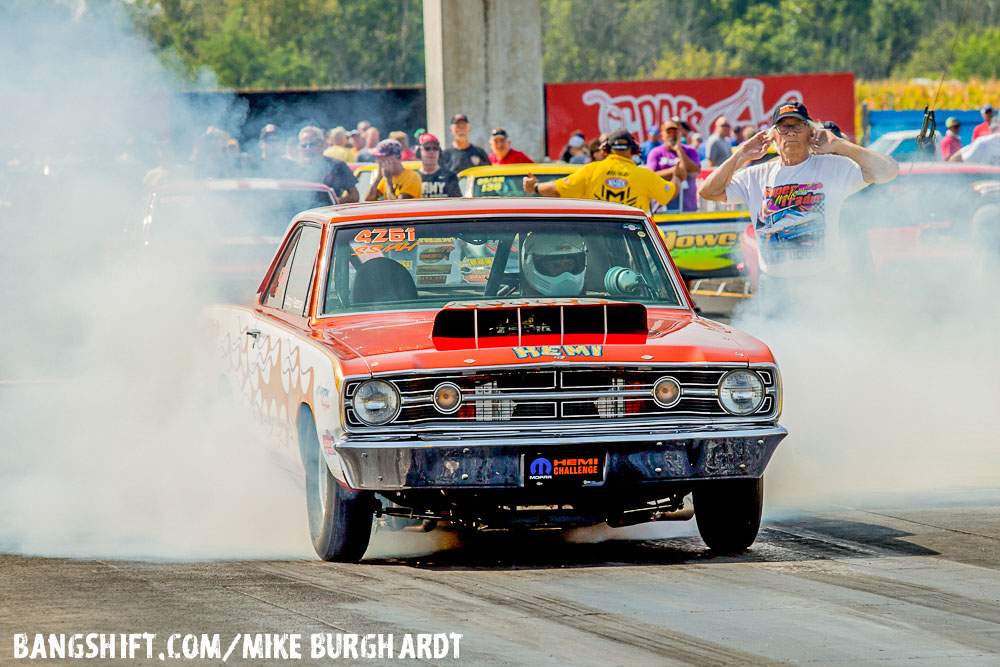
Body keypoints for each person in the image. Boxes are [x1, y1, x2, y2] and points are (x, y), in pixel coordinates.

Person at [699, 102, 898, 297]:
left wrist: (840, 145)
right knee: (771, 331)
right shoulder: (756, 175)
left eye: (798, 126)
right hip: (773, 284)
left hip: (820, 282)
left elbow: (888, 171)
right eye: (783, 127)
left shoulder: (833, 166)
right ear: (773, 136)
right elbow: (708, 191)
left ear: (811, 133)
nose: (791, 133)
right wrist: (740, 155)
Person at [523, 129, 676, 213]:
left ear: (606, 150)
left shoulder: (591, 170)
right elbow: (668, 194)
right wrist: (678, 177)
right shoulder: (644, 175)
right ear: (634, 150)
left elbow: (557, 190)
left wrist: (535, 187)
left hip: (596, 240)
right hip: (632, 243)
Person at [646, 120, 701, 212]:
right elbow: (651, 176)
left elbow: (695, 171)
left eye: (675, 132)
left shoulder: (690, 151)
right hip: (662, 207)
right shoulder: (655, 153)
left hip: (687, 207)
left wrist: (679, 150)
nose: (672, 135)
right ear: (662, 135)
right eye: (669, 132)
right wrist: (673, 172)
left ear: (680, 134)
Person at [295, 126, 359, 203]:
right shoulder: (295, 167)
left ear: (322, 145)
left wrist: (332, 202)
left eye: (312, 144)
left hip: (327, 213)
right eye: (304, 146)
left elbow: (354, 196)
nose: (307, 148)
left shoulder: (337, 165)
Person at [520, 232, 588, 297]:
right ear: (530, 265)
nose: (564, 271)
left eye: (568, 264)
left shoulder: (592, 302)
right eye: (555, 265)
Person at [416, 133, 460, 198]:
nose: (431, 152)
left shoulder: (450, 177)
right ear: (419, 152)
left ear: (439, 152)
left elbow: (457, 203)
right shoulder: (413, 177)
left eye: (435, 148)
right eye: (427, 148)